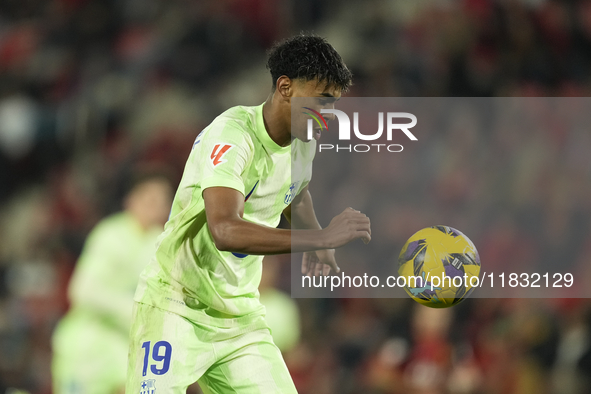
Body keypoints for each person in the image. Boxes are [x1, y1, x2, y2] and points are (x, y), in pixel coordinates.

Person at [126, 34, 371, 393]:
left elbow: (294, 194)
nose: (327, 114)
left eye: (333, 104)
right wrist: (320, 237)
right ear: (285, 87)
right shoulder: (233, 134)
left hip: (239, 318)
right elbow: (224, 229)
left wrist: (318, 242)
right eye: (321, 100)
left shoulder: (305, 144)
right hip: (175, 305)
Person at [52, 172, 173, 394]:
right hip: (87, 346)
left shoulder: (161, 243)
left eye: (161, 199)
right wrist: (133, 309)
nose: (155, 205)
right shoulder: (110, 234)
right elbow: (82, 291)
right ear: (131, 201)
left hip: (124, 346)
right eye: (149, 198)